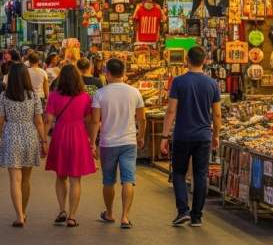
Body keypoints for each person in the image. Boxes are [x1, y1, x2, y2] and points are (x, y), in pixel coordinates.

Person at [160, 46, 221, 227]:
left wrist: (164, 136)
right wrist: (216, 135)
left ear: (187, 59)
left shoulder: (178, 82)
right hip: (203, 136)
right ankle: (197, 216)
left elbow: (171, 110)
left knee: (178, 172)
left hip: (182, 135)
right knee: (200, 175)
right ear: (205, 61)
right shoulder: (212, 84)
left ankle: (182, 211)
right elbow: (217, 115)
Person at [0, 62, 48, 228]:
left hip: (11, 135)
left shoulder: (4, 96)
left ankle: (19, 216)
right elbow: (38, 121)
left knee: (14, 179)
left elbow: (0, 122)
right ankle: (23, 211)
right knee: (26, 179)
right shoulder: (33, 96)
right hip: (29, 135)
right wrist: (44, 141)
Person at [91, 58, 145, 229]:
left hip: (108, 143)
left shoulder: (100, 94)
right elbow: (142, 119)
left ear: (107, 74)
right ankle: (125, 217)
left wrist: (92, 143)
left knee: (108, 181)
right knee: (128, 179)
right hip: (129, 141)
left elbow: (94, 121)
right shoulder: (134, 92)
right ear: (124, 72)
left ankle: (109, 213)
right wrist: (141, 136)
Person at [44, 64, 97, 228]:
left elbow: (48, 120)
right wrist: (91, 141)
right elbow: (89, 121)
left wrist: (43, 141)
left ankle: (62, 210)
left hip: (60, 134)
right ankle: (72, 216)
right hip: (78, 135)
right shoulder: (85, 97)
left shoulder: (53, 96)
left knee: (60, 176)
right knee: (76, 179)